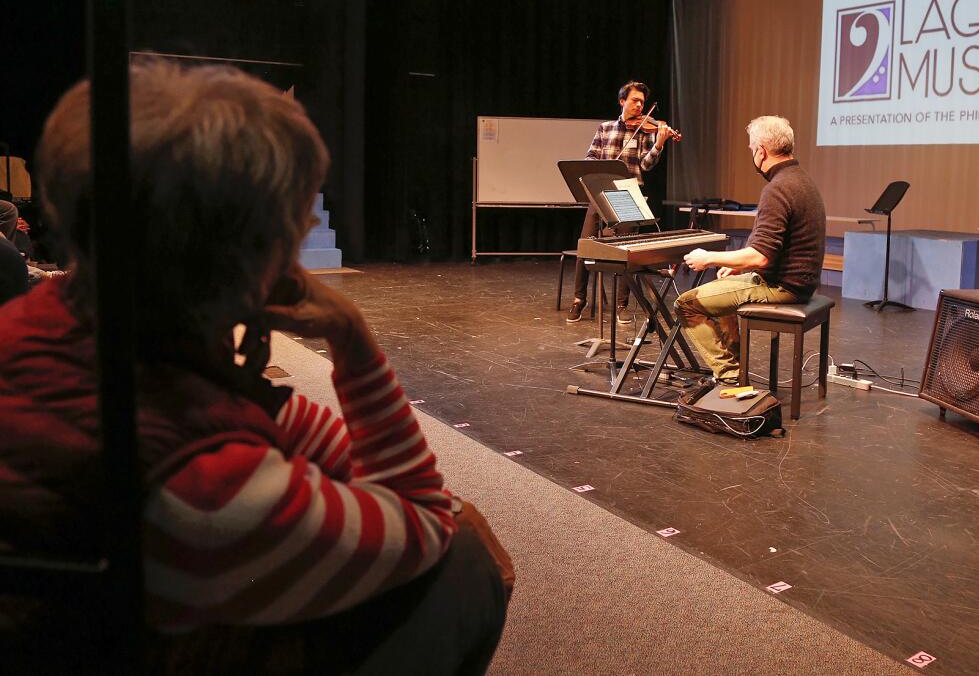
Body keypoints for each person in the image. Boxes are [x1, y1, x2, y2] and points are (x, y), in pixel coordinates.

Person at [0, 61, 511, 674]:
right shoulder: (211, 490)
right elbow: (426, 520)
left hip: (81, 614)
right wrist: (352, 341)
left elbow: (260, 415)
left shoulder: (52, 316)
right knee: (464, 566)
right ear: (259, 259)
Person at [676, 115, 825, 385]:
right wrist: (737, 265)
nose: (752, 155)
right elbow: (776, 248)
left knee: (686, 304)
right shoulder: (802, 180)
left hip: (783, 287)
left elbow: (760, 255)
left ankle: (729, 376)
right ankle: (736, 368)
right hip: (800, 281)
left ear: (761, 151)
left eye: (751, 149)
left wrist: (707, 257)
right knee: (726, 283)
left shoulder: (778, 188)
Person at [567, 80, 676, 324]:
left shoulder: (647, 130)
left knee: (625, 252)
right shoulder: (605, 128)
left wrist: (659, 142)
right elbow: (590, 156)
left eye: (642, 102)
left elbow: (646, 165)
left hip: (628, 194)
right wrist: (600, 168)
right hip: (601, 193)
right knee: (585, 245)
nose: (639, 106)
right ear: (622, 101)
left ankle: (622, 305)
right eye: (635, 100)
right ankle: (578, 300)